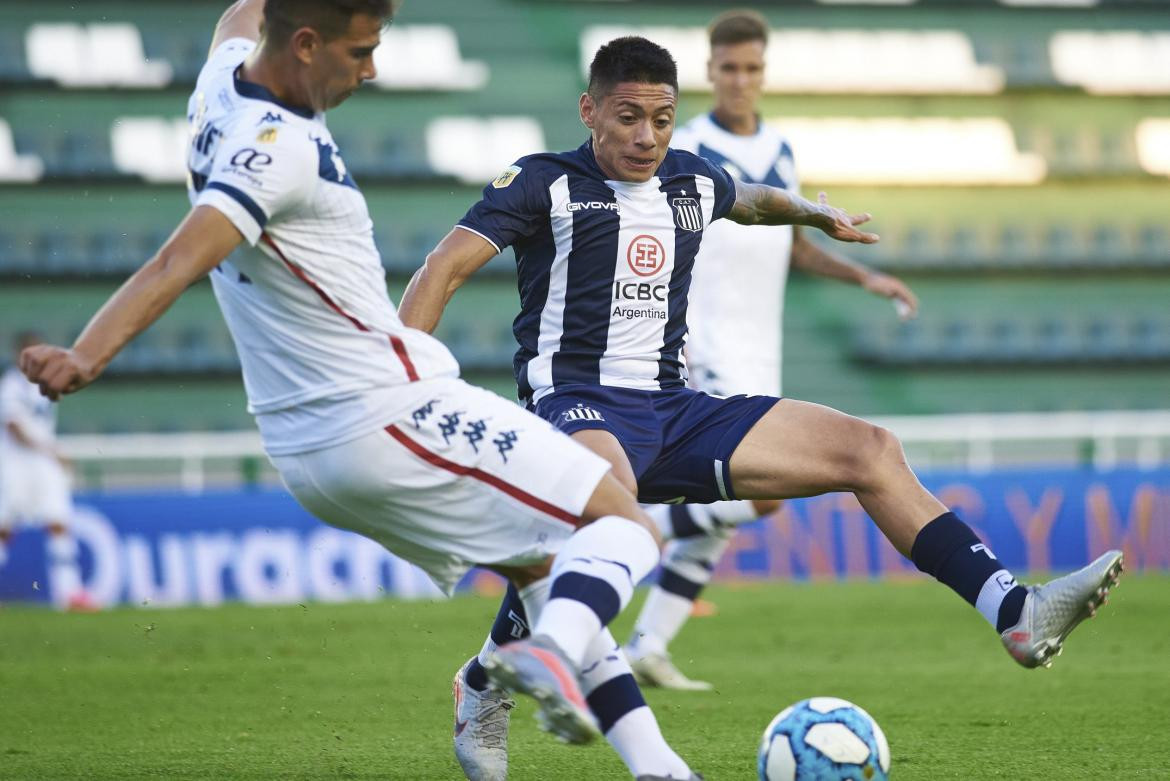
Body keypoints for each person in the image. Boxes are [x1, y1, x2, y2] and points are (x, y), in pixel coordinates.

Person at [19, 3, 721, 779]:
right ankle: (543, 653)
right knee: (626, 529)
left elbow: (238, 15)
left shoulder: (219, 89)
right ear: (307, 44)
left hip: (305, 449)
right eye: (361, 49)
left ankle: (650, 762)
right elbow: (174, 262)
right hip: (387, 413)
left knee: (553, 570)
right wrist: (85, 355)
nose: (373, 68)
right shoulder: (277, 150)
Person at [397, 34, 1123, 781]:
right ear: (589, 111)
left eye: (662, 118)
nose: (647, 135)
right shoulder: (543, 183)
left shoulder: (689, 180)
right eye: (627, 116)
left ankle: (1015, 611)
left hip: (677, 409)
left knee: (868, 448)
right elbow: (442, 267)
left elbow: (750, 200)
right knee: (607, 528)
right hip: (577, 405)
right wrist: (406, 386)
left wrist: (814, 213)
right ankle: (489, 684)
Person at [622, 9, 922, 691]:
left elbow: (793, 246)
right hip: (699, 342)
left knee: (719, 518)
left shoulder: (781, 151)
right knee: (760, 495)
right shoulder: (681, 141)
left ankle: (645, 643)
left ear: (764, 71)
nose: (740, 80)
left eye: (752, 68)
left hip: (760, 343)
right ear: (709, 71)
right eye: (728, 68)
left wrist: (863, 275)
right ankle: (626, 526)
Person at [0, 331, 95, 611]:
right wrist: (50, 450)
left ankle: (70, 593)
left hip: (43, 466)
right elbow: (14, 428)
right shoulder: (11, 386)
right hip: (15, 465)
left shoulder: (42, 386)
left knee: (59, 523)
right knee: (4, 529)